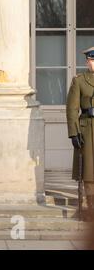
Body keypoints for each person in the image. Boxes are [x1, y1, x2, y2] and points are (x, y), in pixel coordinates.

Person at [66, 46, 94, 221]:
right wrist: (74, 133)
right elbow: (71, 108)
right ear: (87, 61)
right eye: (92, 60)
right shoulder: (80, 81)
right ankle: (91, 207)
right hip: (88, 128)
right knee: (89, 170)